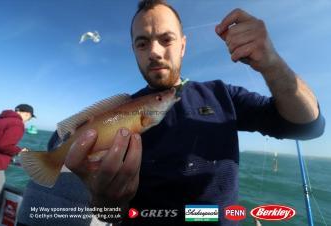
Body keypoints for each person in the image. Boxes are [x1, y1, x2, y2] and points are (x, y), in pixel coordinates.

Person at [18, 1, 325, 226]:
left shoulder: (223, 94)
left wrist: (271, 63)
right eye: (143, 43)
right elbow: (110, 213)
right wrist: (106, 202)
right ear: (135, 51)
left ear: (183, 46)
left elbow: (307, 126)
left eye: (166, 39)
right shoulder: (121, 106)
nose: (154, 51)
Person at [0, 104, 35, 224]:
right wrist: (19, 151)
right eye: (30, 118)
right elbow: (3, 145)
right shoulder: (17, 123)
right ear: (26, 114)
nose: (28, 120)